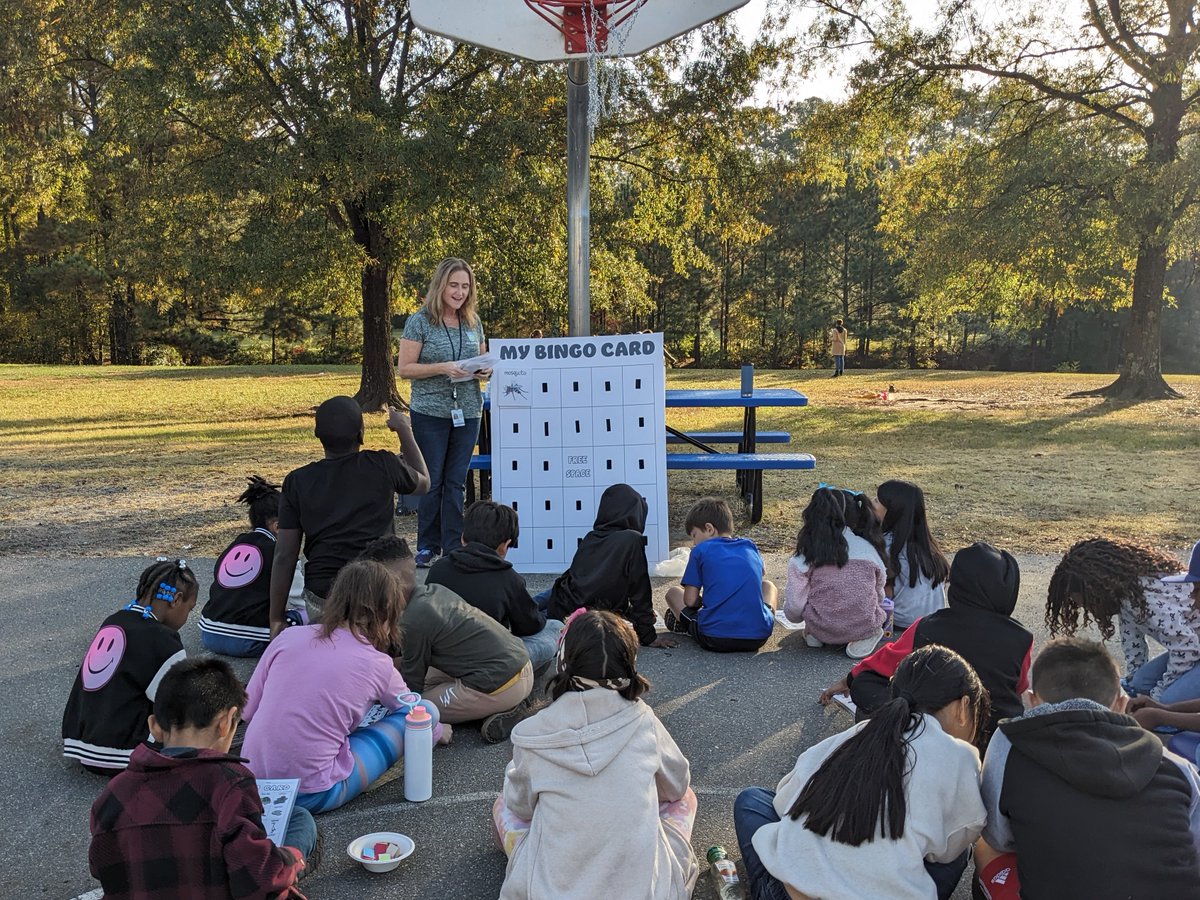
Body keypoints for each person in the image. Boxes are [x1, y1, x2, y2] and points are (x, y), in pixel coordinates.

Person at [735, 645, 989, 900]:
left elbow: (784, 803)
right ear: (963, 707)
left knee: (752, 800)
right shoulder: (960, 756)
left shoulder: (859, 734)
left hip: (789, 894)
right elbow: (948, 849)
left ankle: (763, 887)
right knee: (958, 851)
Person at [492, 610, 699, 900]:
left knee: (504, 804)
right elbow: (676, 786)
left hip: (548, 892)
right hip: (645, 892)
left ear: (563, 661)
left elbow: (521, 806)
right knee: (685, 798)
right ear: (630, 664)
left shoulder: (533, 733)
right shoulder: (644, 721)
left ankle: (524, 865)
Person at [978, 637, 1200, 900]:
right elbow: (1192, 845)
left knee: (983, 844)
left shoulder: (1010, 744)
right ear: (1120, 703)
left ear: (1032, 700)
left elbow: (998, 836)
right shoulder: (1175, 767)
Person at [88, 657, 317, 899]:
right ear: (226, 722)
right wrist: (291, 860)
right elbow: (257, 880)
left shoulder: (113, 794)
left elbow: (101, 868)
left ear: (155, 726)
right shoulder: (229, 783)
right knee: (300, 823)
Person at [243, 558, 446, 813]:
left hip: (254, 782)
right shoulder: (378, 663)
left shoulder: (288, 637)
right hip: (313, 792)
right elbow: (414, 710)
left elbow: (248, 710)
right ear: (385, 614)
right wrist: (437, 730)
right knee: (425, 712)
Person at [820, 542, 1031, 746]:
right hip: (993, 735)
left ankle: (897, 733)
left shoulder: (928, 626)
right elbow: (1019, 687)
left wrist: (850, 678)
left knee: (865, 683)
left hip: (934, 725)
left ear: (957, 586)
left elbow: (886, 661)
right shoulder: (1022, 638)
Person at [268, 396, 429, 633]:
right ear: (361, 434)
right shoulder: (382, 463)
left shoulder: (297, 481)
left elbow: (284, 555)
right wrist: (404, 429)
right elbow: (423, 483)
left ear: (317, 435)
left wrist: (275, 618)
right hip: (377, 589)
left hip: (325, 595)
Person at [366, 537, 535, 743]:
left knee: (417, 709)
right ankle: (494, 705)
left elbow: (412, 686)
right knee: (411, 683)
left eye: (373, 585)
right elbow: (413, 660)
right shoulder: (430, 594)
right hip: (515, 666)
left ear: (392, 583)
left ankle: (510, 708)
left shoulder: (412, 621)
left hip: (503, 683)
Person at [63, 558, 198, 774]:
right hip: (126, 751)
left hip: (80, 743)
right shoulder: (164, 639)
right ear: (176, 600)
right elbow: (177, 701)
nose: (186, 618)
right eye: (189, 609)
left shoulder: (113, 620)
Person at [397, 257, 490, 568]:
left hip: (468, 411)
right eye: (454, 285)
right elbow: (405, 369)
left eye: (465, 286)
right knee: (432, 481)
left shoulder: (473, 322)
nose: (460, 292)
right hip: (430, 413)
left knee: (456, 482)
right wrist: (441, 368)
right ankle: (427, 545)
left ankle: (453, 545)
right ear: (441, 286)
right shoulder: (420, 321)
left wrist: (483, 372)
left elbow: (481, 361)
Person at [1046, 537, 1200, 703]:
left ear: (1099, 589)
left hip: (1190, 649)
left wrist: (1157, 699)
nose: (1089, 610)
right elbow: (1133, 643)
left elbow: (1187, 649)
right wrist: (1134, 685)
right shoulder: (1128, 596)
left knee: (1168, 701)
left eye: (1088, 603)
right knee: (1140, 682)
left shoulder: (1147, 599)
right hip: (1191, 648)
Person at [425, 500, 565, 674]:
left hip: (441, 660)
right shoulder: (509, 579)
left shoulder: (438, 569)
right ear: (504, 546)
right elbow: (529, 627)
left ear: (462, 538)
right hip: (489, 665)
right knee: (555, 627)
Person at [542, 482, 676, 649]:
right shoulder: (632, 540)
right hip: (581, 615)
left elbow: (591, 582)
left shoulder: (592, 537)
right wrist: (647, 635)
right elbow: (639, 590)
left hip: (563, 601)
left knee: (534, 607)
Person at [782, 487, 887, 658]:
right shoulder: (868, 550)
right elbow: (879, 590)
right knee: (871, 619)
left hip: (821, 625)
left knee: (813, 614)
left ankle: (816, 635)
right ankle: (865, 637)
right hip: (864, 624)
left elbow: (795, 604)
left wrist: (797, 618)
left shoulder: (806, 553)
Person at [662, 497, 778, 652]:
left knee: (673, 593)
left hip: (715, 637)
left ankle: (689, 625)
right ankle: (758, 619)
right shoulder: (750, 546)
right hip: (758, 637)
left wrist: (702, 603)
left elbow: (690, 601)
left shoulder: (700, 551)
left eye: (694, 535)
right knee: (768, 586)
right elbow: (760, 576)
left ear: (709, 529)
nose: (694, 543)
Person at [200, 476, 296, 657]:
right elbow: (299, 597)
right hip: (250, 640)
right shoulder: (281, 551)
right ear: (277, 526)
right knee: (305, 616)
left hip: (209, 633)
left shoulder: (237, 544)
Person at [871, 480, 949, 630]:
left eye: (876, 500)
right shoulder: (929, 547)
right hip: (933, 621)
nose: (871, 503)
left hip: (901, 624)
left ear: (891, 511)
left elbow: (884, 595)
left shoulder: (887, 547)